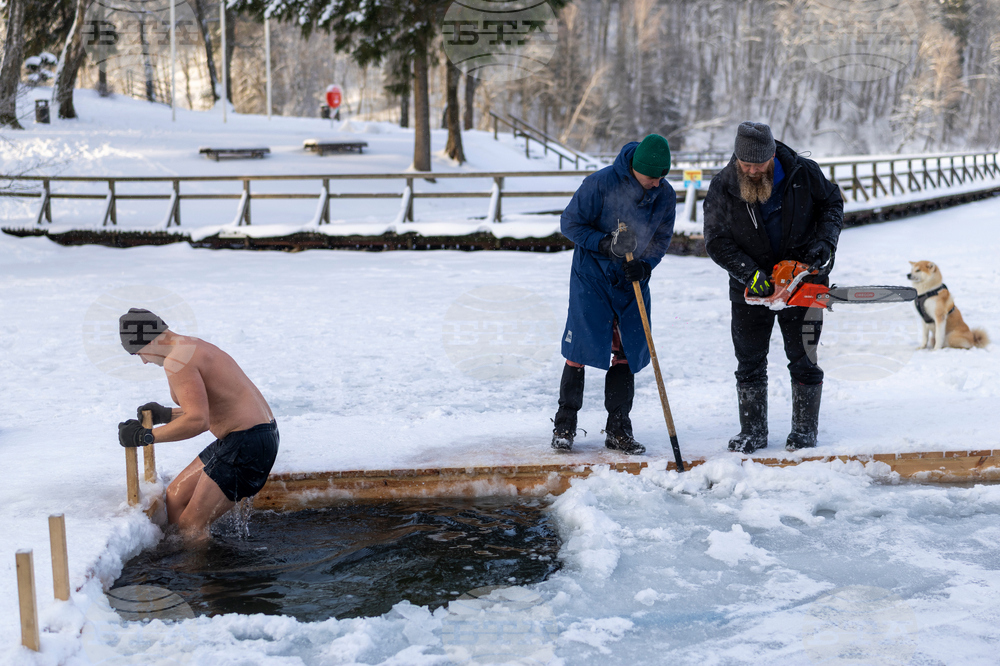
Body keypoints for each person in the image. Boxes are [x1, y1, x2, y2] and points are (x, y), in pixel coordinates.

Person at [703, 121, 843, 453]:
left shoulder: (803, 173)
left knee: (804, 357)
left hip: (804, 280)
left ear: (772, 155)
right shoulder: (723, 186)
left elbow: (832, 205)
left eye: (759, 163)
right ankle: (752, 431)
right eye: (745, 163)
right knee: (749, 361)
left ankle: (805, 430)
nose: (751, 170)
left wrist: (825, 243)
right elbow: (716, 240)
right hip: (750, 288)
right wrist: (749, 273)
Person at [551, 134, 676, 455]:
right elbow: (570, 223)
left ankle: (619, 428)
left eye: (662, 177)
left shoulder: (664, 195)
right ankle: (564, 425)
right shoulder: (600, 183)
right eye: (652, 177)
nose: (657, 184)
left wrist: (645, 266)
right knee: (579, 348)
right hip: (591, 277)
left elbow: (661, 239)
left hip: (631, 281)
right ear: (636, 168)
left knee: (628, 350)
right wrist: (604, 243)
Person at [117, 308, 278, 541]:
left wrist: (146, 436)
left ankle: (201, 576)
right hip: (251, 436)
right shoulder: (189, 346)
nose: (142, 361)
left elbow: (198, 421)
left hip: (247, 442)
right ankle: (187, 551)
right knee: (175, 497)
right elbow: (210, 405)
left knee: (191, 525)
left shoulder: (177, 360)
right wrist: (166, 414)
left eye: (137, 353)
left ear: (149, 340)